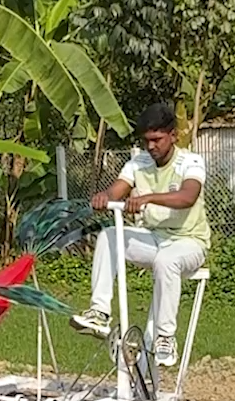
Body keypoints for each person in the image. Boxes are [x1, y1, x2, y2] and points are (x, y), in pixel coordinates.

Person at [70, 102, 211, 367]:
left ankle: (165, 337)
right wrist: (105, 198)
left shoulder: (190, 162)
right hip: (154, 239)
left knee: (166, 261)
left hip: (189, 243)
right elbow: (117, 191)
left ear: (173, 135)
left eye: (157, 139)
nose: (151, 146)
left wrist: (148, 198)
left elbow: (188, 197)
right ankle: (99, 312)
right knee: (109, 236)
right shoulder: (139, 163)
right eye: (147, 140)